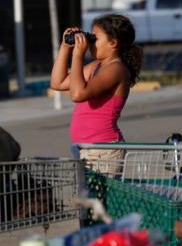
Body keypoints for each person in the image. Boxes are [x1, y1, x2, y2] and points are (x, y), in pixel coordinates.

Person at [49, 14, 143, 173]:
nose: (90, 43)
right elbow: (57, 83)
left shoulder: (116, 69)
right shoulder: (95, 66)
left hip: (104, 150)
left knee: (99, 198)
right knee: (90, 198)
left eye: (95, 39)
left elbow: (78, 94)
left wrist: (78, 55)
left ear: (113, 43)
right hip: (86, 148)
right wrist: (65, 48)